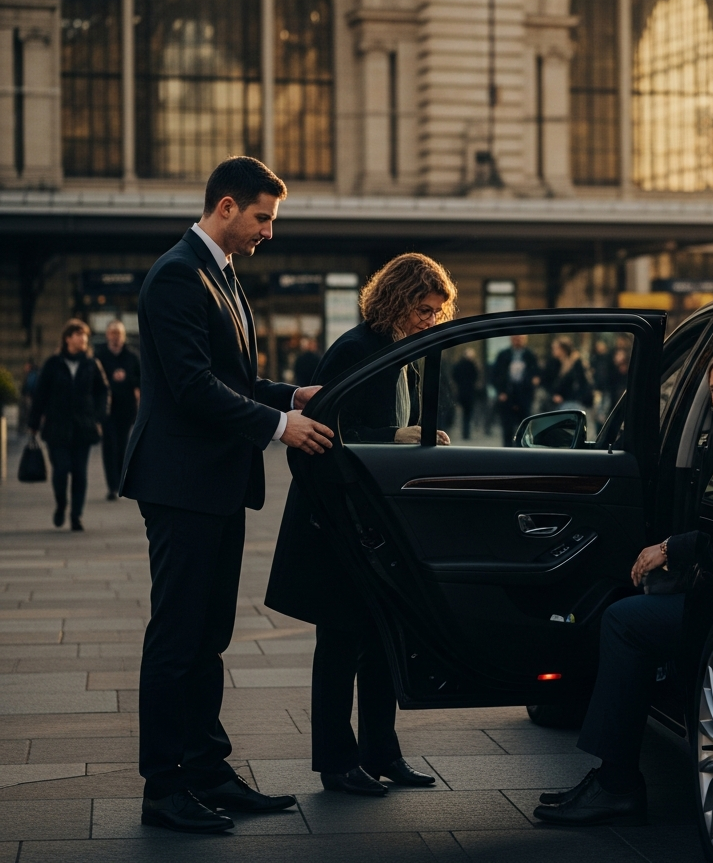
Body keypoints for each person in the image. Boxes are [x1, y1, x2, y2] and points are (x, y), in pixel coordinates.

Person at [120, 156, 334, 835]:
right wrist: (281, 426)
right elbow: (191, 387)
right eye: (262, 217)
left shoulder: (220, 274)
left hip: (213, 485)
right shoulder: (179, 276)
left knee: (207, 636)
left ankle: (206, 770)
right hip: (182, 486)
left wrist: (289, 394)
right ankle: (164, 787)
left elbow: (232, 377)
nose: (268, 231)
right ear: (226, 207)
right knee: (178, 639)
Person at [533, 341, 713, 826]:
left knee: (623, 620)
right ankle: (611, 777)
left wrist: (670, 548)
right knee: (623, 607)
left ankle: (616, 783)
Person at [266, 253, 456, 798]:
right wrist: (393, 436)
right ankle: (336, 762)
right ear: (397, 299)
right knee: (341, 644)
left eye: (436, 313)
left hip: (371, 522)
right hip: (337, 523)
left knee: (379, 640)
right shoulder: (355, 349)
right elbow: (319, 435)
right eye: (423, 309)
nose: (429, 320)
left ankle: (381, 753)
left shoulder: (399, 349)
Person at [28, 320, 110, 532]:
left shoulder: (91, 363)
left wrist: (98, 417)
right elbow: (40, 395)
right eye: (78, 334)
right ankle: (61, 504)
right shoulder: (53, 364)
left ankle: (76, 516)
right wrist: (33, 424)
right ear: (67, 338)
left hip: (83, 427)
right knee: (61, 470)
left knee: (80, 474)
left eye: (85, 335)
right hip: (57, 427)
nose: (83, 339)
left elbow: (103, 391)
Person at [96, 320, 141, 501]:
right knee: (109, 445)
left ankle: (122, 481)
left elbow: (140, 379)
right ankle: (112, 485)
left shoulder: (132, 356)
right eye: (112, 333)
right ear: (107, 335)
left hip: (126, 408)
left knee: (123, 445)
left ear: (123, 336)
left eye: (118, 334)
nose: (115, 337)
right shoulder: (100, 356)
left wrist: (127, 378)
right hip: (106, 409)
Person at [491, 334, 540, 446]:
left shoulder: (530, 355)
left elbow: (537, 373)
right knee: (507, 429)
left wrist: (534, 381)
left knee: (524, 429)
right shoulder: (503, 355)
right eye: (515, 338)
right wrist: (500, 392)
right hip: (507, 396)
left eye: (520, 338)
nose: (517, 340)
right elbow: (494, 375)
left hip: (524, 396)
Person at [546, 337, 593, 411]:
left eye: (556, 348)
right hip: (561, 402)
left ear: (563, 350)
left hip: (573, 402)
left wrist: (564, 397)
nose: (553, 351)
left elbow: (580, 384)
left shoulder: (576, 363)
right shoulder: (556, 363)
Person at [451, 347, 479, 440]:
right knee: (468, 414)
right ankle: (466, 432)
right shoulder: (472, 365)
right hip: (469, 392)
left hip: (462, 391)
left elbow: (454, 376)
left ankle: (465, 432)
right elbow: (476, 377)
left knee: (464, 414)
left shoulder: (459, 365)